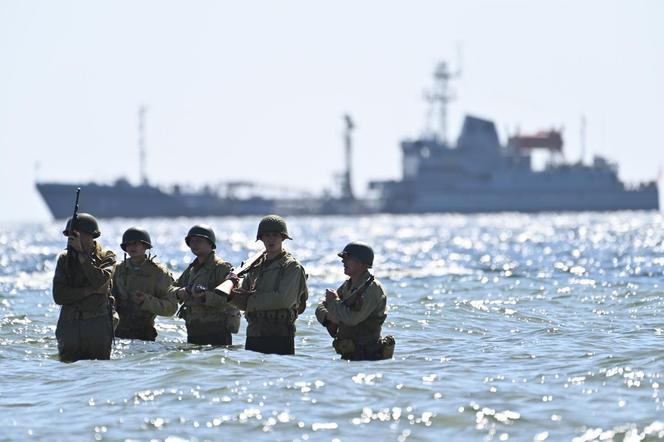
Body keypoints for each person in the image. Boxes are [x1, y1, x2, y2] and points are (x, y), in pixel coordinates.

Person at [231, 215, 308, 355]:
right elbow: (243, 303)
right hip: (254, 333)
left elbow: (283, 300)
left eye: (275, 235)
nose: (271, 239)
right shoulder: (254, 267)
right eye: (266, 235)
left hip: (280, 335)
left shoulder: (291, 267)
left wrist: (250, 299)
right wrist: (232, 291)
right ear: (261, 238)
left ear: (283, 238)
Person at [52, 213, 116, 362]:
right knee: (68, 371)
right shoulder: (64, 259)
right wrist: (89, 291)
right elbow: (59, 296)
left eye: (75, 235)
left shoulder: (107, 257)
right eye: (69, 235)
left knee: (98, 371)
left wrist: (83, 256)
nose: (71, 239)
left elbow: (99, 281)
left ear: (91, 236)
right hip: (69, 326)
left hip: (97, 327)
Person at [315, 242, 395, 361]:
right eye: (343, 259)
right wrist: (329, 317)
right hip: (350, 354)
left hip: (368, 356)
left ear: (362, 263)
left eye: (348, 259)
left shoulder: (372, 289)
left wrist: (335, 303)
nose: (343, 262)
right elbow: (321, 307)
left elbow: (351, 319)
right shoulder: (349, 284)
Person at [169, 224, 240, 345]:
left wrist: (205, 296)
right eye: (192, 241)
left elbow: (231, 299)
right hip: (194, 330)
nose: (194, 244)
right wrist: (178, 292)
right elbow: (171, 288)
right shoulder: (191, 269)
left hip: (216, 331)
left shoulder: (222, 268)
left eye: (199, 241)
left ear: (210, 243)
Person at [113, 227, 177, 341]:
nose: (132, 247)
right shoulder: (117, 270)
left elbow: (171, 308)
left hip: (145, 334)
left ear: (145, 246)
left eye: (136, 243)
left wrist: (146, 301)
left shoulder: (159, 272)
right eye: (128, 244)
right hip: (118, 334)